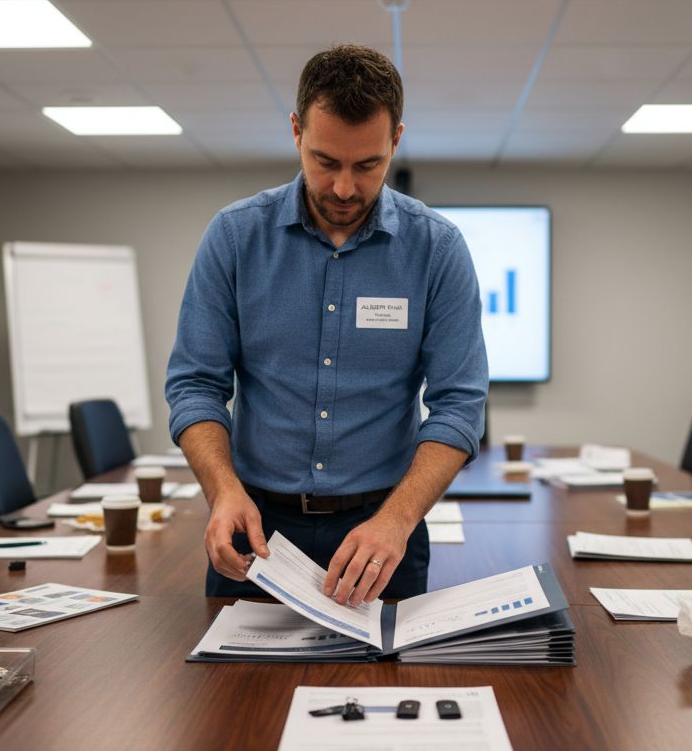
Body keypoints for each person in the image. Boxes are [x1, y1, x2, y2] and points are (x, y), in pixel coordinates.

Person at [165, 44, 488, 606]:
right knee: (236, 697)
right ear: (296, 131)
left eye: (367, 165)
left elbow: (460, 406)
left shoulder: (437, 249)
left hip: (382, 532)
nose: (343, 188)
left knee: (385, 691)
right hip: (256, 529)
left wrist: (397, 520)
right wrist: (222, 491)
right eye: (325, 161)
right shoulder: (236, 237)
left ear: (396, 141)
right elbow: (195, 386)